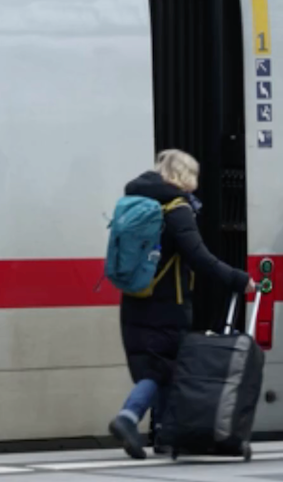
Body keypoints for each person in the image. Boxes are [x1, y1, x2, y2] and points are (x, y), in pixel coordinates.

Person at [108, 149, 256, 460]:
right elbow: (199, 258)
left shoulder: (136, 203)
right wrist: (238, 279)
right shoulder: (177, 209)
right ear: (184, 176)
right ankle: (128, 417)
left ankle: (164, 435)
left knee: (163, 367)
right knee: (160, 369)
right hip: (166, 304)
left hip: (134, 300)